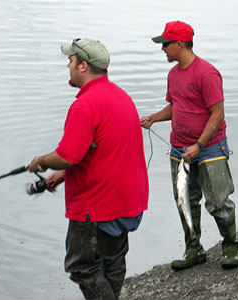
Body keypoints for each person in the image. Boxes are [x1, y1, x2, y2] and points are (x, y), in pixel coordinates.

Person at [28, 38, 149, 299]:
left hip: (97, 206)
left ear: (83, 66)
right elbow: (103, 148)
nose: (68, 66)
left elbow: (67, 156)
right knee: (112, 264)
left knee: (81, 266)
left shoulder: (84, 104)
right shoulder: (121, 96)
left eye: (70, 61)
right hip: (127, 200)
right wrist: (62, 175)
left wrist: (40, 162)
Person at [141, 21, 238, 271]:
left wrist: (199, 144)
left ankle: (230, 245)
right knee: (185, 200)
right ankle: (193, 250)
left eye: (165, 44)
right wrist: (154, 117)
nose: (162, 49)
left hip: (209, 148)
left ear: (179, 43)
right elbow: (176, 107)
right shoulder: (173, 74)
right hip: (179, 149)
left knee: (218, 202)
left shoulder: (207, 73)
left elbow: (217, 114)